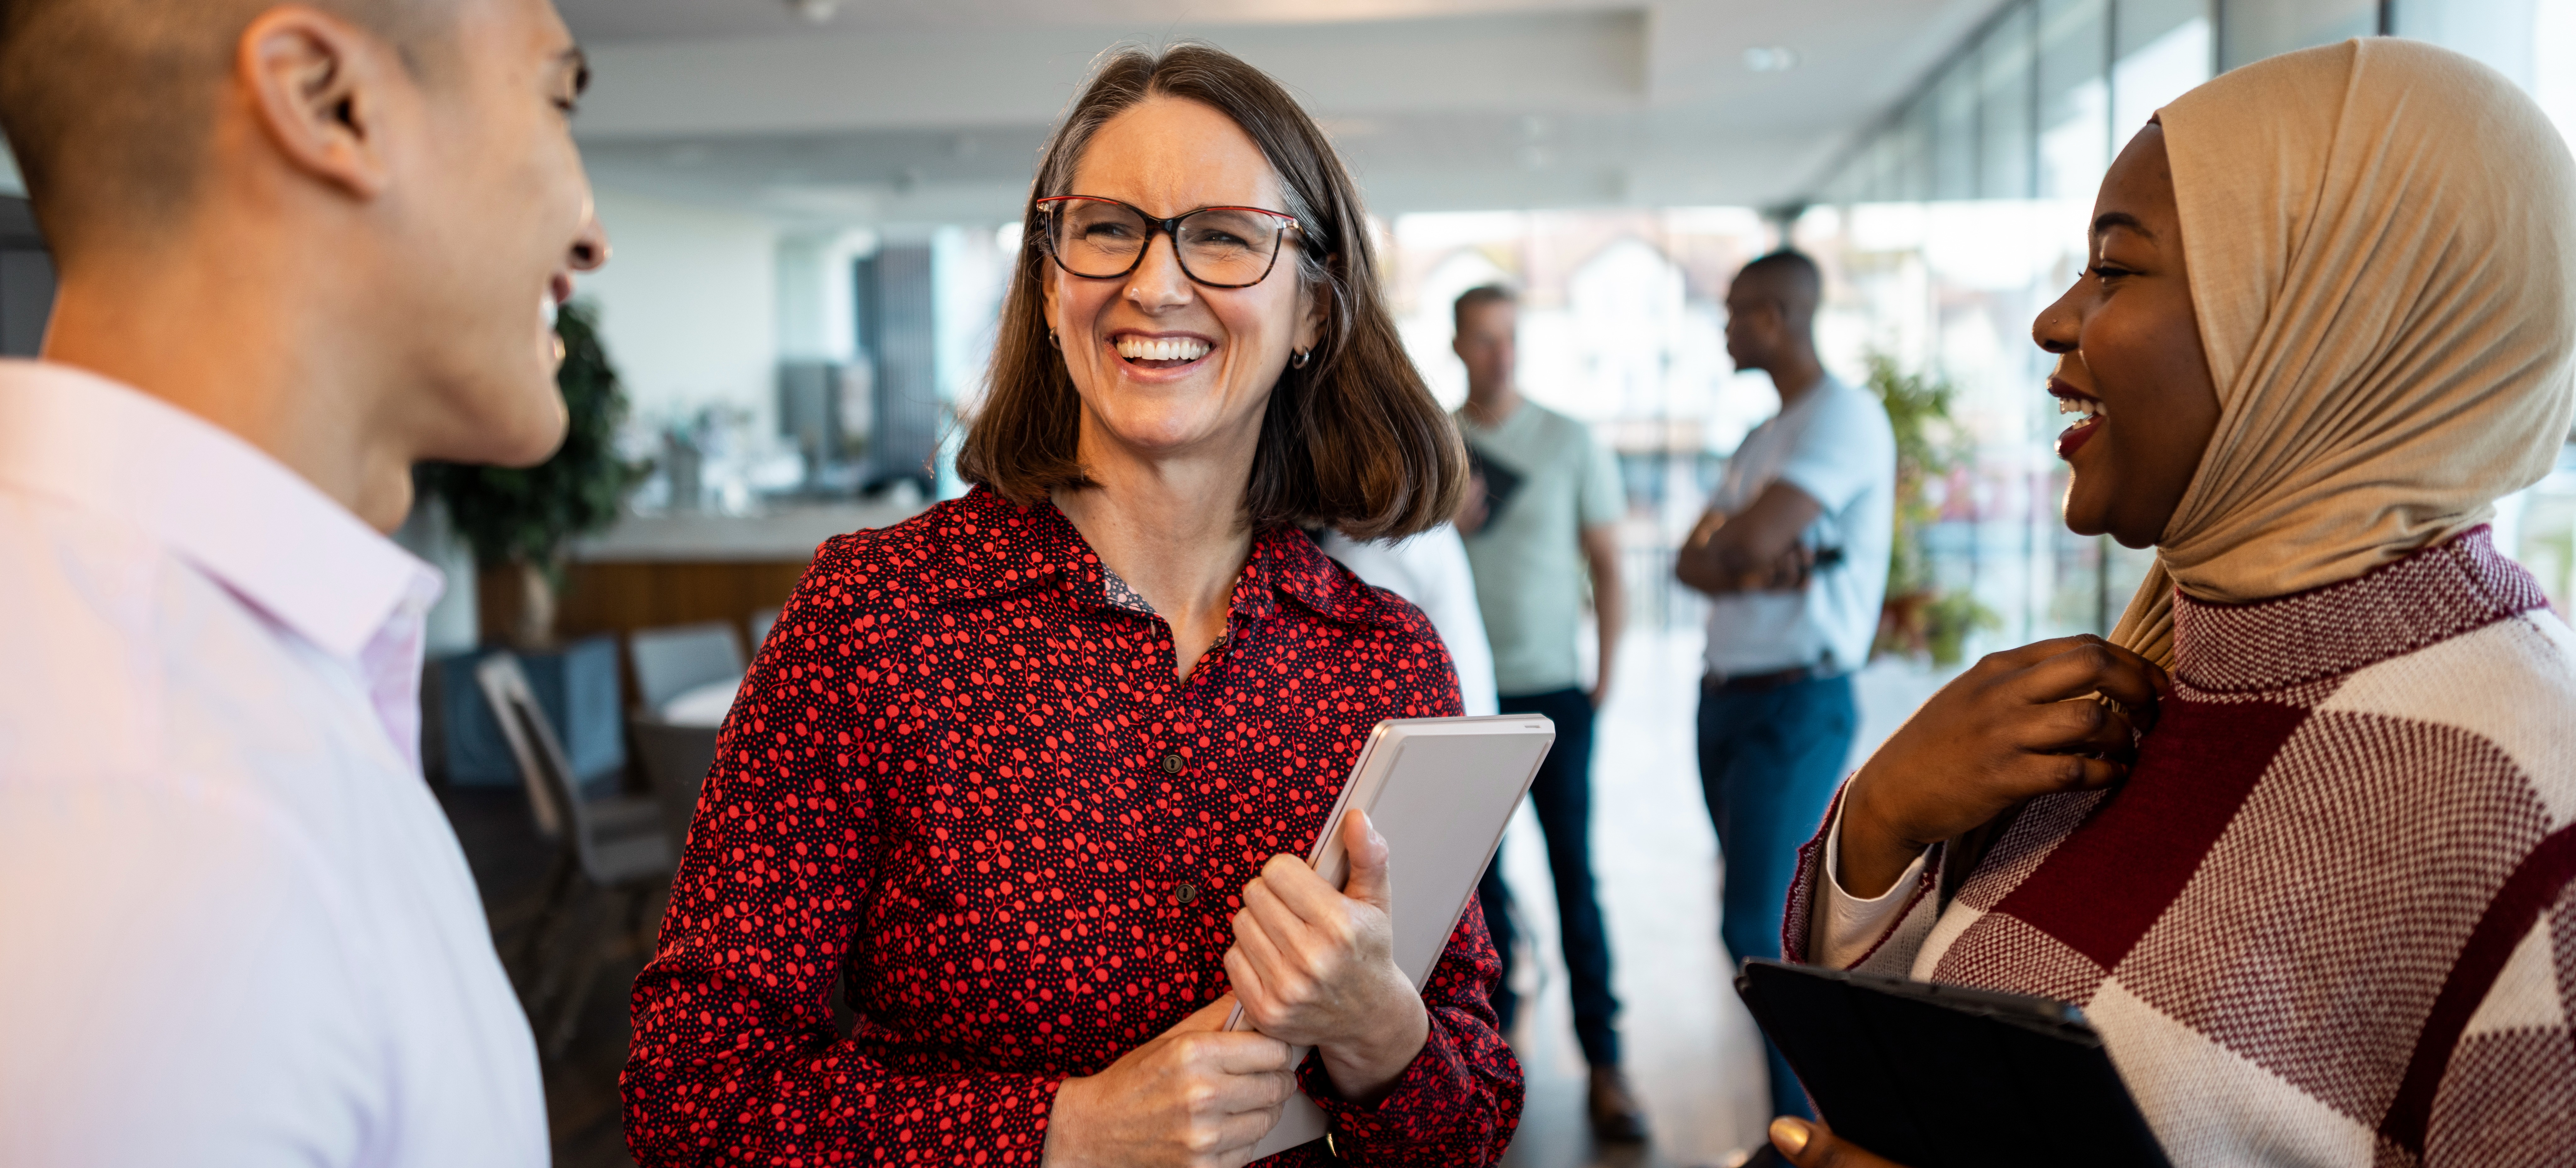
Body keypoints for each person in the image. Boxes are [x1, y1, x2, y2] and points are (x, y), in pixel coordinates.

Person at [621, 43, 1521, 1167]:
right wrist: (1063, 1131)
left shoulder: (1381, 661)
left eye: (1224, 237)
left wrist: (1376, 1025)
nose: (1153, 283)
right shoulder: (875, 616)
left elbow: (1470, 1120)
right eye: (1106, 229)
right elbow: (690, 1094)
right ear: (1051, 285)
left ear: (1310, 310)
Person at [1763, 39, 2576, 1168]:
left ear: (2315, 320)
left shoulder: (2535, 809)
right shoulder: (2140, 683)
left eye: (2113, 269)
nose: (2052, 323)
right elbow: (1915, 1057)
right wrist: (1884, 818)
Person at [0, 0, 608, 1163]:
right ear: (328, 102)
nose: (592, 238)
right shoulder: (160, 816)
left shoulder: (193, 705)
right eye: (555, 97)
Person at [1673, 249, 1894, 1121]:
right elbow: (1696, 562)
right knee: (1754, 921)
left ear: (1777, 316)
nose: (1725, 328)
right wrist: (1740, 556)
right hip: (1726, 698)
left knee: (1761, 929)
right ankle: (1799, 1127)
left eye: (1735, 312)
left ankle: (1809, 1133)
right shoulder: (1763, 436)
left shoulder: (1843, 419)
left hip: (1794, 703)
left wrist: (1740, 554)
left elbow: (1738, 547)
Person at [1451, 283, 1648, 1141]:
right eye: (1486, 340)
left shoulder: (1569, 441)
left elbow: (1607, 560)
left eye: (1511, 340)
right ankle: (1490, 1062)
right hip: (1459, 703)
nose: (1501, 355)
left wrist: (1605, 674)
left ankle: (1607, 1065)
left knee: (1575, 875)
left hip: (1553, 691)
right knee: (1474, 891)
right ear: (1458, 346)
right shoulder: (1435, 446)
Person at [1315, 524, 1499, 717]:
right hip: (1466, 718)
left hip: (1442, 730)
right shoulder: (1427, 530)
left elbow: (1356, 669)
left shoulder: (1378, 545)